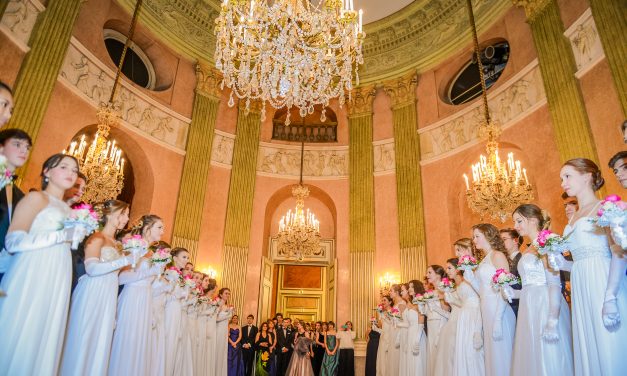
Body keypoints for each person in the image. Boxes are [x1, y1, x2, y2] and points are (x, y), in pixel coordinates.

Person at [0, 154, 86, 375]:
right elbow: (13, 241)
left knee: (46, 330)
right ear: (47, 172)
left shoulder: (70, 211)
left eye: (74, 170)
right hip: (34, 269)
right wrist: (59, 236)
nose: (71, 173)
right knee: (25, 327)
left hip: (59, 271)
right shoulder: (36, 199)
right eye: (64, 167)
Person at [556, 158, 627, 374]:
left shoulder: (605, 208)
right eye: (561, 179)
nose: (563, 183)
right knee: (589, 342)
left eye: (567, 176)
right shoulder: (572, 217)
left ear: (587, 176)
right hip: (580, 283)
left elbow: (618, 251)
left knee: (608, 344)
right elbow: (579, 260)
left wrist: (610, 296)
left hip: (603, 280)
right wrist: (562, 264)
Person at [61, 200, 134, 376]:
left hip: (109, 294)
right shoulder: (96, 238)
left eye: (127, 214)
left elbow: (118, 276)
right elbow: (91, 269)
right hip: (92, 291)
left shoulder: (118, 244)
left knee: (100, 341)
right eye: (123, 214)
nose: (127, 218)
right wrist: (124, 260)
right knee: (84, 337)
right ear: (109, 214)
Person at [510, 204, 574, 375]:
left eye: (519, 221)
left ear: (532, 220)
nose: (515, 226)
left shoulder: (546, 243)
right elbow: (528, 285)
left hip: (545, 304)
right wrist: (514, 293)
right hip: (528, 306)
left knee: (548, 353)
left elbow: (553, 282)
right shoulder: (529, 248)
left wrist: (552, 319)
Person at [108, 215, 165, 376]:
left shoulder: (152, 253)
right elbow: (121, 278)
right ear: (147, 228)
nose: (163, 231)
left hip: (146, 300)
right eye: (159, 227)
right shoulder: (135, 246)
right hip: (132, 297)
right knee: (129, 340)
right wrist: (150, 272)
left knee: (140, 343)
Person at [466, 224, 516, 376]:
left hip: (499, 309)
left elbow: (504, 289)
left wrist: (498, 320)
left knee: (503, 352)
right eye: (473, 237)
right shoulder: (483, 260)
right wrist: (471, 280)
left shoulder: (497, 255)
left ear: (488, 236)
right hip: (486, 309)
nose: (474, 240)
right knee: (492, 354)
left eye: (477, 236)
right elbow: (483, 292)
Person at [434, 257, 485, 375]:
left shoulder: (468, 281)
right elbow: (462, 304)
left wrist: (477, 330)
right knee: (463, 352)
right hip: (463, 317)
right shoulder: (458, 285)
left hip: (472, 317)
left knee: (471, 352)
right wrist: (450, 298)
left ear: (458, 269)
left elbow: (477, 302)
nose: (447, 271)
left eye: (449, 268)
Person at [0, 129, 32, 281]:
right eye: (17, 144)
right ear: (1, 147)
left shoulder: (19, 195)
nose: (24, 150)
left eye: (27, 147)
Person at [422, 265, 450, 373]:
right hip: (430, 325)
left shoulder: (443, 289)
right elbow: (426, 313)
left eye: (429, 272)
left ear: (438, 275)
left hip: (440, 324)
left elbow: (446, 310)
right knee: (432, 355)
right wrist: (422, 306)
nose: (426, 275)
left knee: (440, 355)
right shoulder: (431, 292)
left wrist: (435, 307)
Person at [398, 283, 427, 376]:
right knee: (410, 362)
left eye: (411, 287)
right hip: (410, 334)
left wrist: (417, 340)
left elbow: (421, 322)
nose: (409, 289)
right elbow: (408, 323)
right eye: (409, 287)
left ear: (417, 288)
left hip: (417, 334)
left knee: (417, 362)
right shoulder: (411, 303)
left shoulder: (420, 301)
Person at [500, 228, 523, 316]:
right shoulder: (502, 261)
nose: (501, 243)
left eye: (504, 239)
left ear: (515, 240)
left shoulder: (522, 259)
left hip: (518, 307)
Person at [216, 287, 234, 376]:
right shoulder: (218, 304)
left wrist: (228, 331)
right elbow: (216, 318)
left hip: (224, 331)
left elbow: (227, 322)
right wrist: (227, 315)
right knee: (218, 350)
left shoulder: (227, 306)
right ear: (221, 294)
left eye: (229, 294)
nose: (228, 295)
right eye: (226, 293)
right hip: (218, 329)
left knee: (223, 352)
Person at [375, 296, 393, 376]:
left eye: (385, 300)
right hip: (383, 336)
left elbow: (392, 324)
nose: (383, 302)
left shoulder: (393, 311)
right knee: (381, 358)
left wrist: (382, 315)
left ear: (390, 302)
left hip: (390, 336)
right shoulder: (383, 312)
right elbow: (381, 325)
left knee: (387, 358)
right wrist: (375, 326)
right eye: (382, 300)